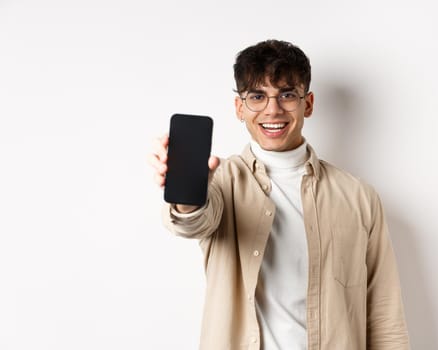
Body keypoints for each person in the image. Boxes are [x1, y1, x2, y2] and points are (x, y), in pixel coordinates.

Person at [150, 39, 410, 350]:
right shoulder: (220, 182)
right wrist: (189, 192)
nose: (273, 109)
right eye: (257, 96)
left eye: (287, 95)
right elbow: (192, 221)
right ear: (239, 107)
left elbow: (384, 316)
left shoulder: (358, 197)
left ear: (308, 103)